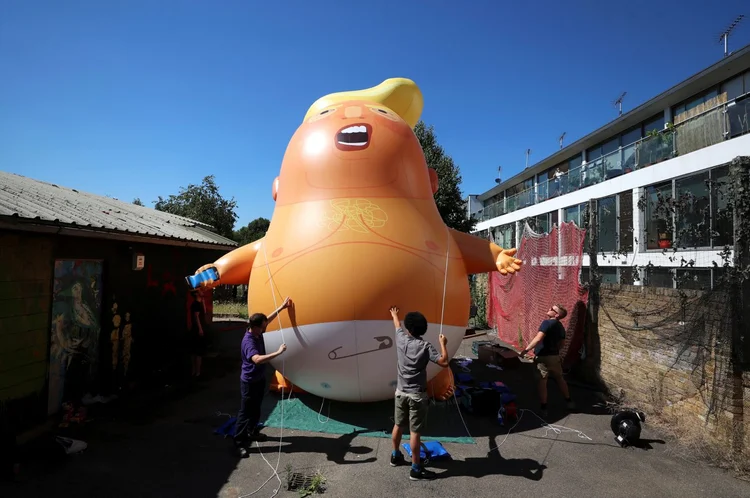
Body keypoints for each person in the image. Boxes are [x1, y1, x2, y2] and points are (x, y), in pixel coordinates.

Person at [388, 306, 449, 481]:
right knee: (414, 432)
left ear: (409, 328)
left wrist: (394, 314)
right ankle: (416, 469)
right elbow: (444, 362)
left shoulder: (400, 339)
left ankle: (395, 456)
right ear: (423, 329)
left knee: (398, 425)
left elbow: (397, 327)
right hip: (417, 396)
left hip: (400, 393)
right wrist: (443, 344)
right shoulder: (425, 346)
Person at [235, 297, 292, 458]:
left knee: (256, 407)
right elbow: (257, 359)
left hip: (259, 379)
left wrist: (281, 308)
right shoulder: (249, 341)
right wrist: (278, 352)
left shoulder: (257, 330)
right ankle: (239, 443)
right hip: (249, 381)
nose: (264, 329)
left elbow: (268, 319)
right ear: (255, 327)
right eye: (262, 327)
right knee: (245, 411)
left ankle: (252, 432)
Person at [520, 304, 575, 418]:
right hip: (554, 357)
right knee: (560, 378)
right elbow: (562, 344)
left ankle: (544, 408)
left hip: (543, 358)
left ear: (557, 314)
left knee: (542, 381)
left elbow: (538, 338)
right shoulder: (560, 327)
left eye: (552, 309)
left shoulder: (547, 323)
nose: (549, 309)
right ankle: (569, 401)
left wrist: (526, 350)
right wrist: (554, 350)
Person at [189, 290, 207, 378]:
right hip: (196, 329)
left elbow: (205, 312)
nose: (202, 291)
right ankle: (196, 372)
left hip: (199, 328)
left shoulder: (199, 303)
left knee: (196, 351)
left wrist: (203, 301)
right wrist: (200, 329)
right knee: (197, 351)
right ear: (196, 294)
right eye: (200, 291)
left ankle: (195, 371)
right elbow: (196, 317)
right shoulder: (195, 304)